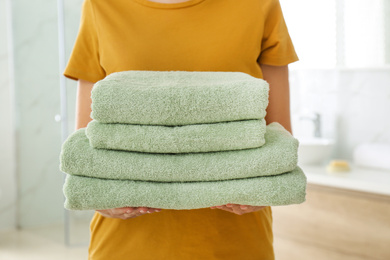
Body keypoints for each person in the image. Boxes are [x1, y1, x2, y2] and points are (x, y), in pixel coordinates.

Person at [64, 0, 298, 259]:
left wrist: (261, 190)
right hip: (125, 245)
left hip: (235, 244)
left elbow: (279, 143)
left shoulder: (258, 4)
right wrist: (101, 197)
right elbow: (87, 153)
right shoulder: (101, 5)